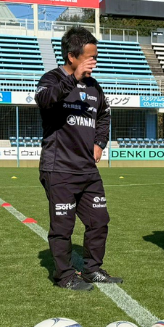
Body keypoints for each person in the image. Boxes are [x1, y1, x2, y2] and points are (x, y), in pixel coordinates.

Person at [36, 26, 118, 291]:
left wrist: (100, 142)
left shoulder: (95, 88)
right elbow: (46, 101)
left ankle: (92, 269)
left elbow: (104, 115)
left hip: (88, 171)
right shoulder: (50, 79)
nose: (94, 62)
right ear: (72, 56)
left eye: (96, 56)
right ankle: (64, 276)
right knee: (63, 226)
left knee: (99, 221)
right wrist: (73, 79)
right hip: (59, 168)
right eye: (89, 57)